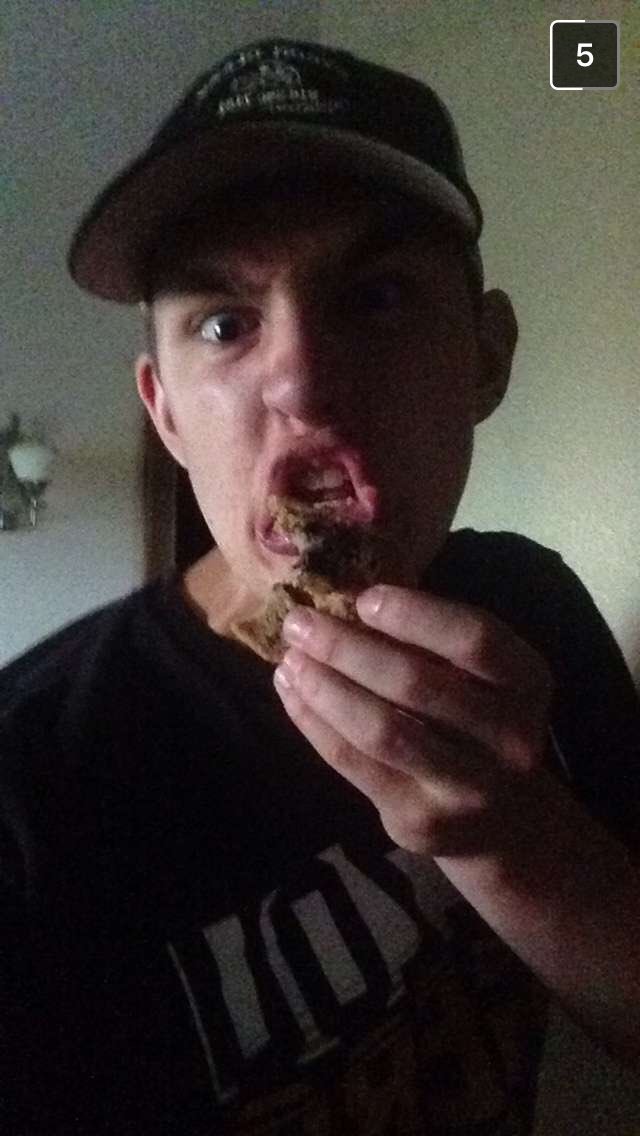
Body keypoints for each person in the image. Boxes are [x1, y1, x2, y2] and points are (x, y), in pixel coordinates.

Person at [1, 37, 639, 1136]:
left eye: (376, 296)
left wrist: (520, 844)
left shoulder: (528, 606)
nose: (299, 378)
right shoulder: (29, 791)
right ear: (164, 411)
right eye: (224, 322)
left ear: (486, 358)